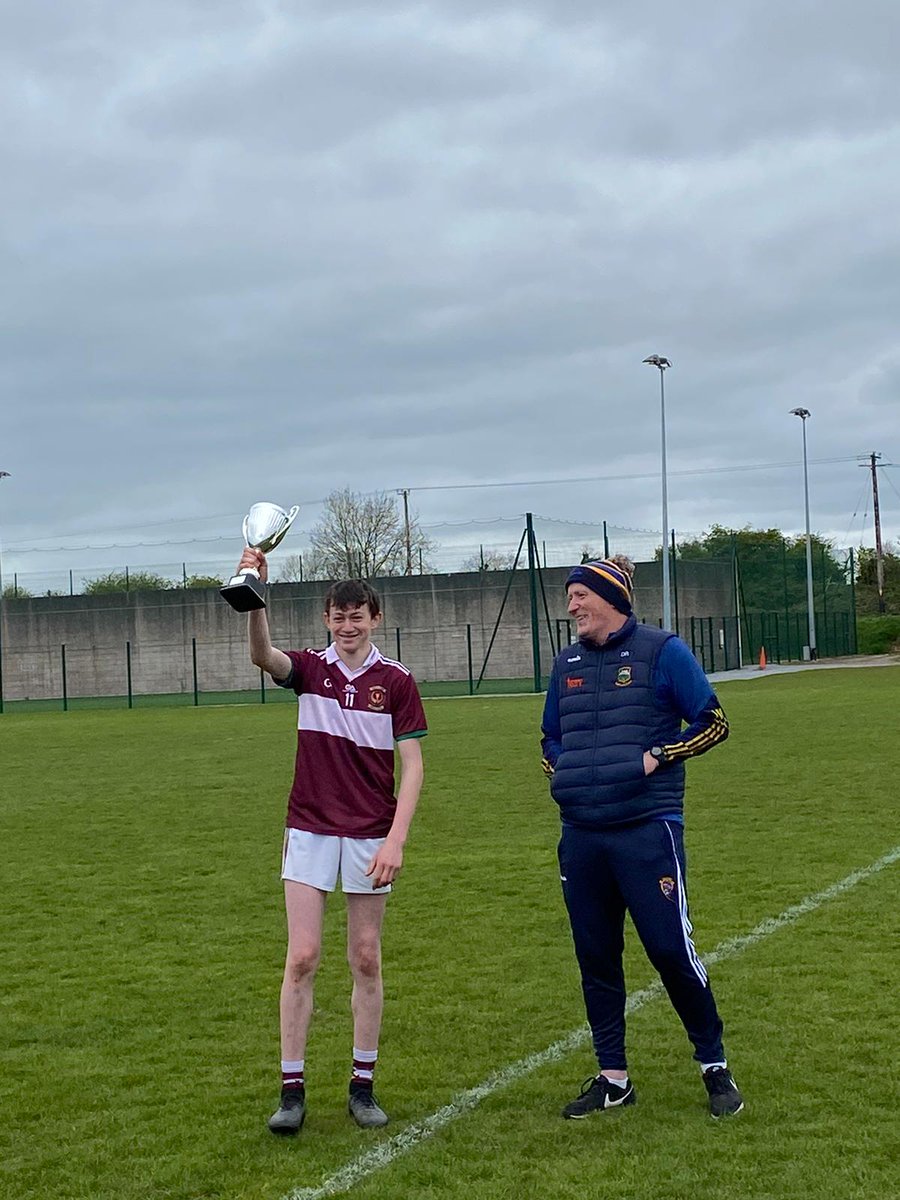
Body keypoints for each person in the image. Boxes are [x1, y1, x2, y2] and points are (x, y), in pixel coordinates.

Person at [540, 556, 743, 1119]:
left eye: (580, 594)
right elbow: (549, 737)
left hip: (647, 829)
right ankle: (614, 1078)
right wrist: (566, 770)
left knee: (669, 950)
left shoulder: (663, 651)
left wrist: (659, 755)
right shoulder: (567, 663)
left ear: (611, 597)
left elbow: (714, 722)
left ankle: (714, 1065)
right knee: (596, 956)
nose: (572, 605)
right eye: (570, 596)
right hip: (581, 835)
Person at [237, 547, 427, 1136]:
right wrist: (253, 597)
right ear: (326, 620)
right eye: (338, 617)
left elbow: (414, 766)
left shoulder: (396, 681)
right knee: (302, 957)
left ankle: (361, 1087)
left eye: (358, 616)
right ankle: (291, 1092)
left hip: (371, 834)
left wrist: (396, 839)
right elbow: (261, 655)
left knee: (365, 958)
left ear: (375, 619)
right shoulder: (310, 671)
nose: (348, 626)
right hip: (311, 830)